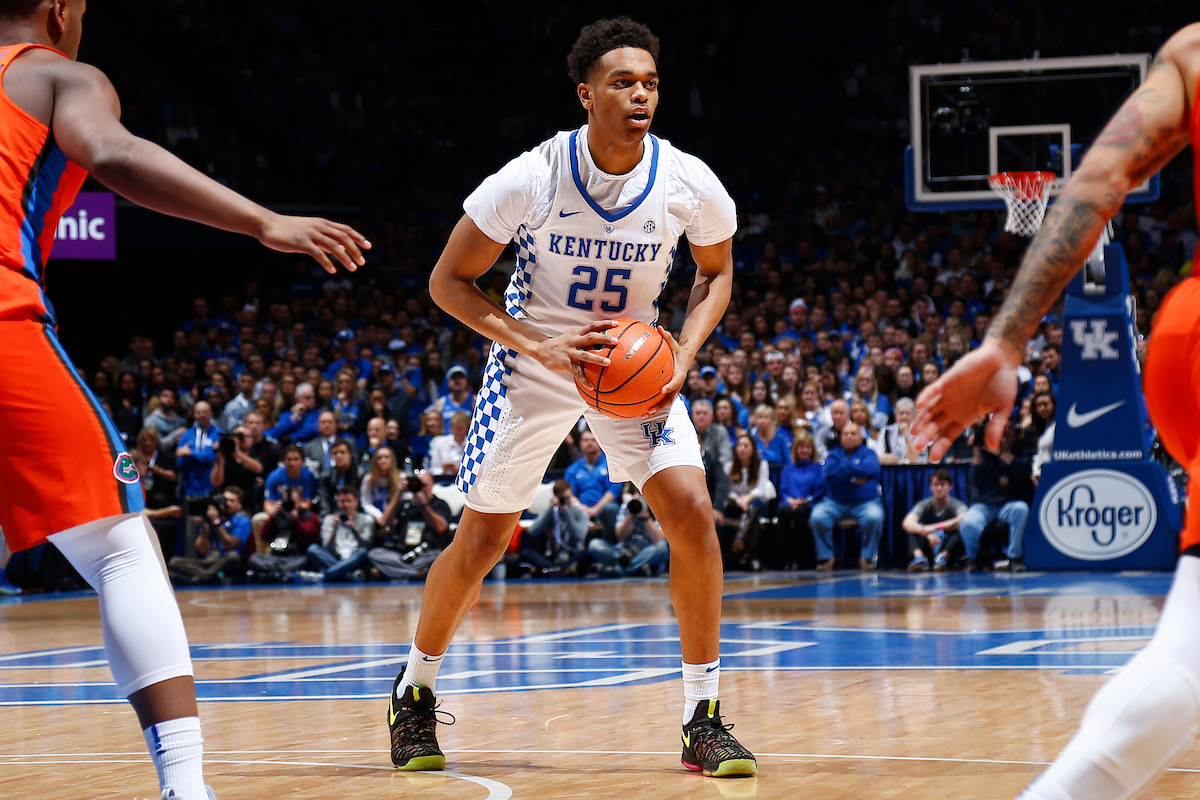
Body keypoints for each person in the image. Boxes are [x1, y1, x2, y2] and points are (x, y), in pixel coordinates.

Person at [0, 2, 368, 797]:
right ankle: (186, 786)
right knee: (119, 545)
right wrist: (264, 220)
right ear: (60, 10)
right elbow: (111, 151)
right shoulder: (56, 74)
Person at [385, 17, 755, 779]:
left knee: (692, 512)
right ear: (586, 95)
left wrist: (684, 351)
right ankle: (413, 692)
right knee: (484, 542)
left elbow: (716, 273)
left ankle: (703, 718)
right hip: (535, 365)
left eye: (650, 81)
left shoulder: (688, 180)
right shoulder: (531, 177)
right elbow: (446, 282)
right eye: (623, 82)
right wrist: (540, 344)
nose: (640, 94)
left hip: (636, 365)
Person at [913, 26, 1200, 799]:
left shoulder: (1195, 51)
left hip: (1186, 344)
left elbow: (1099, 180)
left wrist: (1006, 343)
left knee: (1188, 657)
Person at [809, 422, 885, 570]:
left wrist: (842, 473)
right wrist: (854, 477)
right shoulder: (833, 454)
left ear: (861, 437)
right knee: (817, 516)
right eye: (845, 434)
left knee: (875, 516)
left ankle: (867, 558)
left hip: (865, 503)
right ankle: (827, 558)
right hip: (835, 503)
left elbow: (871, 468)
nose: (849, 437)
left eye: (853, 434)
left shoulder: (869, 453)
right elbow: (828, 474)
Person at [367, 470, 453, 581]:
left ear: (432, 485)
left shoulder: (440, 504)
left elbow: (441, 528)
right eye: (417, 485)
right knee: (374, 554)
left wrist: (424, 506)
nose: (421, 489)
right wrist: (398, 493)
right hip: (401, 554)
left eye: (424, 485)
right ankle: (416, 575)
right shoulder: (405, 503)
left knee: (440, 556)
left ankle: (396, 573)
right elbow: (384, 522)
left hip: (426, 553)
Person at [167, 487, 250, 586]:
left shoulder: (242, 520)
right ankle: (209, 577)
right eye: (225, 500)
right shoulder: (211, 518)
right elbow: (202, 550)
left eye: (232, 501)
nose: (227, 503)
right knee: (175, 562)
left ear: (239, 505)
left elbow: (230, 545)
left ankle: (195, 580)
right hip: (210, 562)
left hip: (227, 562)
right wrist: (205, 526)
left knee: (233, 556)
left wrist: (216, 523)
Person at [587, 483, 670, 576]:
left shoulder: (657, 505)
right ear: (634, 490)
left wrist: (646, 517)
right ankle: (636, 568)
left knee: (662, 547)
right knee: (594, 545)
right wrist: (631, 514)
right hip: (623, 553)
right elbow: (620, 536)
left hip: (646, 551)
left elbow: (658, 538)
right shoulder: (627, 505)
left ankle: (621, 570)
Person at [298, 486, 375, 584]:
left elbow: (366, 545)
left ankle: (323, 576)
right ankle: (348, 575)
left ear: (356, 501)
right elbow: (326, 547)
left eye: (349, 501)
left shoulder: (367, 520)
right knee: (312, 549)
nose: (346, 505)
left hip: (354, 559)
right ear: (337, 503)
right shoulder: (329, 520)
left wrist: (354, 529)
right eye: (342, 501)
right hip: (335, 557)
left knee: (363, 553)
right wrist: (334, 529)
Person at [771, 431, 824, 570]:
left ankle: (798, 559)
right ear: (796, 449)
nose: (804, 450)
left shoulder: (817, 468)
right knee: (783, 512)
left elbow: (821, 489)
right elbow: (782, 489)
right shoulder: (788, 469)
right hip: (789, 502)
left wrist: (806, 500)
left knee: (801, 513)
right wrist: (790, 500)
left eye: (808, 447)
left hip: (808, 503)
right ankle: (787, 559)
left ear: (812, 450)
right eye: (801, 447)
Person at [900, 469, 966, 571]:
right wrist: (926, 533)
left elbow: (963, 519)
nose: (938, 489)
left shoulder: (957, 505)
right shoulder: (924, 504)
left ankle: (943, 558)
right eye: (935, 485)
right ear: (931, 487)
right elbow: (907, 522)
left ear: (950, 487)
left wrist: (935, 527)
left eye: (942, 485)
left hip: (949, 549)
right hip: (929, 546)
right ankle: (919, 558)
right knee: (914, 532)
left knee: (959, 532)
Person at [521, 479, 590, 576]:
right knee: (526, 552)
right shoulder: (551, 512)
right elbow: (532, 531)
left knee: (588, 553)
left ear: (571, 494)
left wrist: (567, 514)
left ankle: (557, 568)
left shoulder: (580, 512)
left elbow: (579, 536)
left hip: (573, 553)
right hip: (552, 554)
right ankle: (555, 567)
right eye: (561, 498)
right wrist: (549, 511)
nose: (564, 501)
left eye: (566, 498)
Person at [564, 429, 622, 541]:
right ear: (580, 444)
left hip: (603, 511)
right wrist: (580, 508)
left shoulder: (611, 465)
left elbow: (613, 491)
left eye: (593, 440)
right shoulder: (573, 469)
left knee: (611, 508)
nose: (589, 443)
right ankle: (573, 551)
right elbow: (569, 494)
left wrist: (595, 509)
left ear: (599, 443)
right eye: (586, 440)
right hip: (580, 510)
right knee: (565, 508)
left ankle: (610, 544)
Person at [428, 410, 469, 477]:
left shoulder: (470, 444)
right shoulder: (441, 442)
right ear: (451, 427)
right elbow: (433, 469)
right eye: (455, 428)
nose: (458, 431)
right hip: (444, 481)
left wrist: (459, 471)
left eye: (461, 428)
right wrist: (443, 470)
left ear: (466, 428)